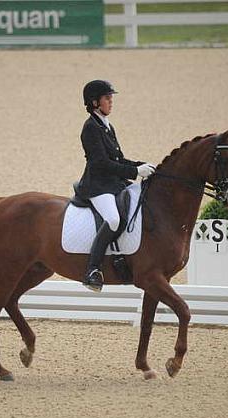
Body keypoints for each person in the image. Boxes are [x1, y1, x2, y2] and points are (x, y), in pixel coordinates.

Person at [76, 80, 155, 292]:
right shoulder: (90, 128)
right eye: (107, 98)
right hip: (97, 186)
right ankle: (92, 270)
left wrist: (140, 165)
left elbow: (118, 159)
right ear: (95, 102)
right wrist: (134, 172)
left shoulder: (106, 125)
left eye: (111, 98)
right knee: (112, 219)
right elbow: (101, 163)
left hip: (113, 183)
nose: (111, 101)